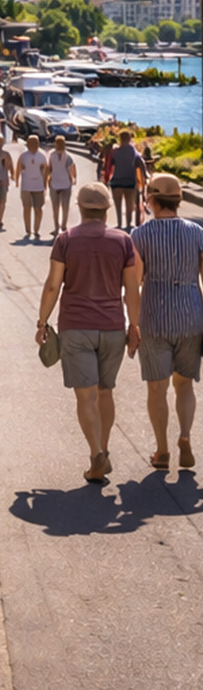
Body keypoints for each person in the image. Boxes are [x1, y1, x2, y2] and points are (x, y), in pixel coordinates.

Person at [36, 184, 143, 482]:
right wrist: (134, 325)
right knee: (105, 391)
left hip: (76, 327)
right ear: (107, 209)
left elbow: (53, 285)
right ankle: (103, 450)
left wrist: (42, 321)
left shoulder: (66, 240)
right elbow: (131, 290)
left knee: (85, 396)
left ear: (80, 208)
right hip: (111, 328)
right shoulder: (123, 241)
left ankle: (97, 454)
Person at [129, 173, 203, 472]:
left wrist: (132, 325)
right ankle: (185, 436)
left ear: (151, 200)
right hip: (191, 315)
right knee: (184, 385)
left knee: (156, 389)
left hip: (154, 316)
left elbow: (133, 283)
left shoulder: (140, 235)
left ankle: (162, 451)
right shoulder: (197, 233)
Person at [15, 134, 50, 242]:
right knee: (26, 208)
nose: (32, 145)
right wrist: (17, 180)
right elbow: (19, 167)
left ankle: (36, 229)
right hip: (26, 186)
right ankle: (28, 229)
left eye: (35, 143)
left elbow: (46, 170)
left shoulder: (42, 155)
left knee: (38, 209)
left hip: (38, 186)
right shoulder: (24, 155)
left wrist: (45, 182)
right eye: (30, 143)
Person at [109, 129, 145, 231]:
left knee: (118, 204)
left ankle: (119, 223)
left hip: (116, 181)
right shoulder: (133, 151)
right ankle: (129, 224)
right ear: (130, 138)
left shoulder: (115, 151)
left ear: (120, 139)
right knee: (129, 204)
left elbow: (111, 165)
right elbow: (139, 161)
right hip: (130, 180)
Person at [46, 136, 78, 237]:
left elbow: (49, 168)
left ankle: (56, 227)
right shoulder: (68, 156)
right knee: (65, 206)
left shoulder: (51, 155)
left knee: (55, 207)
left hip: (54, 183)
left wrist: (47, 179)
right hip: (66, 183)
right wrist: (74, 178)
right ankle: (63, 226)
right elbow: (72, 168)